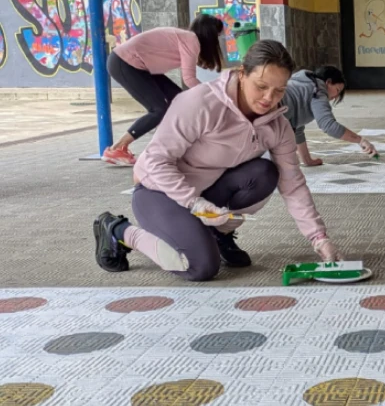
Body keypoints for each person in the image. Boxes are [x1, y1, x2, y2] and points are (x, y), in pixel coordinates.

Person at [92, 40, 345, 282]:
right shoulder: (200, 103)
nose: (269, 98)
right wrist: (195, 204)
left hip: (206, 190)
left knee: (265, 173)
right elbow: (158, 161)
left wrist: (319, 238)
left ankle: (214, 233)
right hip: (158, 191)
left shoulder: (277, 126)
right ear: (242, 73)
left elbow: (293, 184)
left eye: (279, 90)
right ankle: (118, 231)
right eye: (261, 86)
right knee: (200, 266)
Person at [101, 14, 224, 165]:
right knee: (158, 109)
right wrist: (212, 95)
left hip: (139, 66)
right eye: (217, 36)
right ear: (210, 35)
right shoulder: (191, 40)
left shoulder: (187, 39)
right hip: (124, 62)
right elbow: (189, 78)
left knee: (178, 99)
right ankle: (117, 148)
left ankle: (176, 148)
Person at [281, 65, 377, 166]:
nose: (336, 97)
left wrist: (307, 160)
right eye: (337, 90)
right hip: (269, 122)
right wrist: (360, 140)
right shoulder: (318, 91)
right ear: (328, 82)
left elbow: (297, 129)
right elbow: (329, 126)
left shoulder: (302, 82)